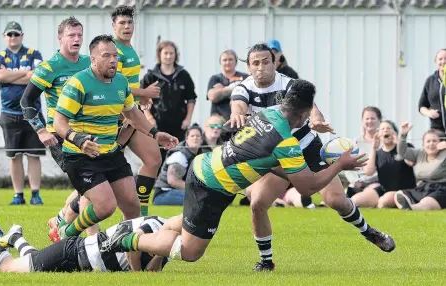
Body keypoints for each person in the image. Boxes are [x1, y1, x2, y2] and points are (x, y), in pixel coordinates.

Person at [100, 79, 370, 265]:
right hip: (211, 185)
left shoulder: (268, 115)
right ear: (302, 116)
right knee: (191, 252)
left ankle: (136, 231)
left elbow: (261, 156)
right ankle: (128, 240)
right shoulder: (285, 142)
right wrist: (340, 165)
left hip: (209, 171)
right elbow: (308, 187)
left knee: (186, 223)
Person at [229, 43, 395, 271]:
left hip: (306, 147)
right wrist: (237, 115)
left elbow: (313, 108)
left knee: (336, 201)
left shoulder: (289, 84)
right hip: (276, 156)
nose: (261, 68)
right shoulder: (243, 88)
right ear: (248, 67)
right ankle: (266, 262)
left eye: (266, 62)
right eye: (255, 63)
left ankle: (369, 232)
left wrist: (316, 120)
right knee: (257, 204)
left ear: (275, 63)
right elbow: (237, 106)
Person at [52, 34, 178, 241]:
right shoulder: (78, 84)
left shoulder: (120, 82)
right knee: (105, 206)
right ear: (93, 59)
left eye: (115, 56)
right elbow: (59, 123)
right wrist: (79, 139)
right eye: (106, 56)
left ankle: (123, 252)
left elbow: (132, 113)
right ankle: (67, 232)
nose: (113, 60)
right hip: (81, 157)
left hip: (110, 154)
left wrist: (155, 133)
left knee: (132, 207)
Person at [18, 17, 93, 240]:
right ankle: (90, 240)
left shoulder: (90, 63)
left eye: (80, 35)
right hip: (61, 136)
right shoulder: (49, 67)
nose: (77, 39)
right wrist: (41, 130)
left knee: (94, 185)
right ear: (60, 38)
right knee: (91, 186)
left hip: (89, 134)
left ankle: (60, 220)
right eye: (71, 35)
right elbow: (26, 102)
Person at [0, 216, 171, 273]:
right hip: (75, 254)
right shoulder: (154, 225)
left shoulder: (169, 242)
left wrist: (162, 252)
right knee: (9, 267)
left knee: (35, 261)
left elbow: (149, 273)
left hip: (78, 256)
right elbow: (131, 248)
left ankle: (16, 237)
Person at [111, 5, 163, 216]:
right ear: (113, 26)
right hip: (114, 118)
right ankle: (65, 216)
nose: (126, 26)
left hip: (130, 114)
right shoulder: (113, 51)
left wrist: (140, 98)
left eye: (129, 22)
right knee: (104, 174)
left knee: (153, 159)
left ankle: (141, 212)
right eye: (121, 23)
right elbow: (114, 85)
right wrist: (145, 91)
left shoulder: (130, 50)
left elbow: (127, 87)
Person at [0, 20, 45, 205]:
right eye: (10, 34)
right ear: (4, 37)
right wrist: (24, 74)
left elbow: (37, 77)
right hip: (9, 113)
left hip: (32, 113)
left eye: (16, 34)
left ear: (22, 36)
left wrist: (10, 76)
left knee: (34, 155)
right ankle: (18, 194)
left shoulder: (34, 54)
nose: (13, 37)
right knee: (14, 156)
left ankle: (36, 194)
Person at [141, 40, 197, 156]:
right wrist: (149, 118)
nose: (168, 56)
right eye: (165, 53)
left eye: (171, 53)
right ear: (159, 55)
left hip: (179, 124)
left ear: (176, 55)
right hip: (157, 124)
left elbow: (191, 98)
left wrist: (188, 119)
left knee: (178, 155)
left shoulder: (183, 75)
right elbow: (142, 99)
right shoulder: (150, 76)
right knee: (157, 157)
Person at [350, 120, 416, 208]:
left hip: (403, 190)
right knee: (355, 200)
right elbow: (368, 172)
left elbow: (411, 162)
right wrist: (373, 148)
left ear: (395, 133)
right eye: (382, 129)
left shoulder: (406, 147)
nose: (385, 130)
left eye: (389, 128)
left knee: (383, 202)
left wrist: (398, 144)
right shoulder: (377, 153)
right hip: (384, 189)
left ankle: (381, 203)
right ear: (379, 135)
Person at [395, 124, 446, 210]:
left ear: (440, 142)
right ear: (423, 144)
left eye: (434, 141)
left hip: (441, 190)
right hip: (421, 188)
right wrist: (403, 135)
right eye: (428, 141)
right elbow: (402, 152)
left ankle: (412, 208)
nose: (431, 144)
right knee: (399, 194)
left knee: (427, 201)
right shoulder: (419, 153)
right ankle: (408, 206)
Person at [153, 124, 207, 206]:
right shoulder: (179, 155)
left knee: (205, 196)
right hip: (163, 194)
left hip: (176, 191)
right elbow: (173, 181)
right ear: (187, 139)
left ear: (202, 139)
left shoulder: (201, 155)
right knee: (200, 198)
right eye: (192, 136)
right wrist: (196, 189)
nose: (195, 138)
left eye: (198, 136)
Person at [207, 49, 249, 123]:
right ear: (220, 62)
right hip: (219, 124)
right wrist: (237, 88)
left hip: (240, 120)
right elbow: (212, 96)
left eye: (230, 59)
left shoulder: (245, 77)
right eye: (225, 60)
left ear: (235, 61)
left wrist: (222, 91)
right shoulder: (215, 78)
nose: (227, 62)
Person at [418, 49, 446, 133]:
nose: (443, 61)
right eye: (440, 59)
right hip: (437, 130)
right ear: (436, 62)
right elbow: (421, 106)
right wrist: (429, 113)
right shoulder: (430, 81)